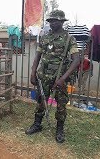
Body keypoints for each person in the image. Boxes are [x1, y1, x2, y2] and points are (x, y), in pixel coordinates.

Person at [25, 10, 80, 143]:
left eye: (55, 21)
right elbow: (38, 56)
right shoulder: (45, 37)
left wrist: (63, 78)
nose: (52, 23)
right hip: (43, 76)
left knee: (61, 104)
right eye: (50, 21)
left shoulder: (69, 39)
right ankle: (37, 124)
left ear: (62, 21)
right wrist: (33, 73)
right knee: (40, 101)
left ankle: (59, 129)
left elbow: (76, 59)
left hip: (59, 78)